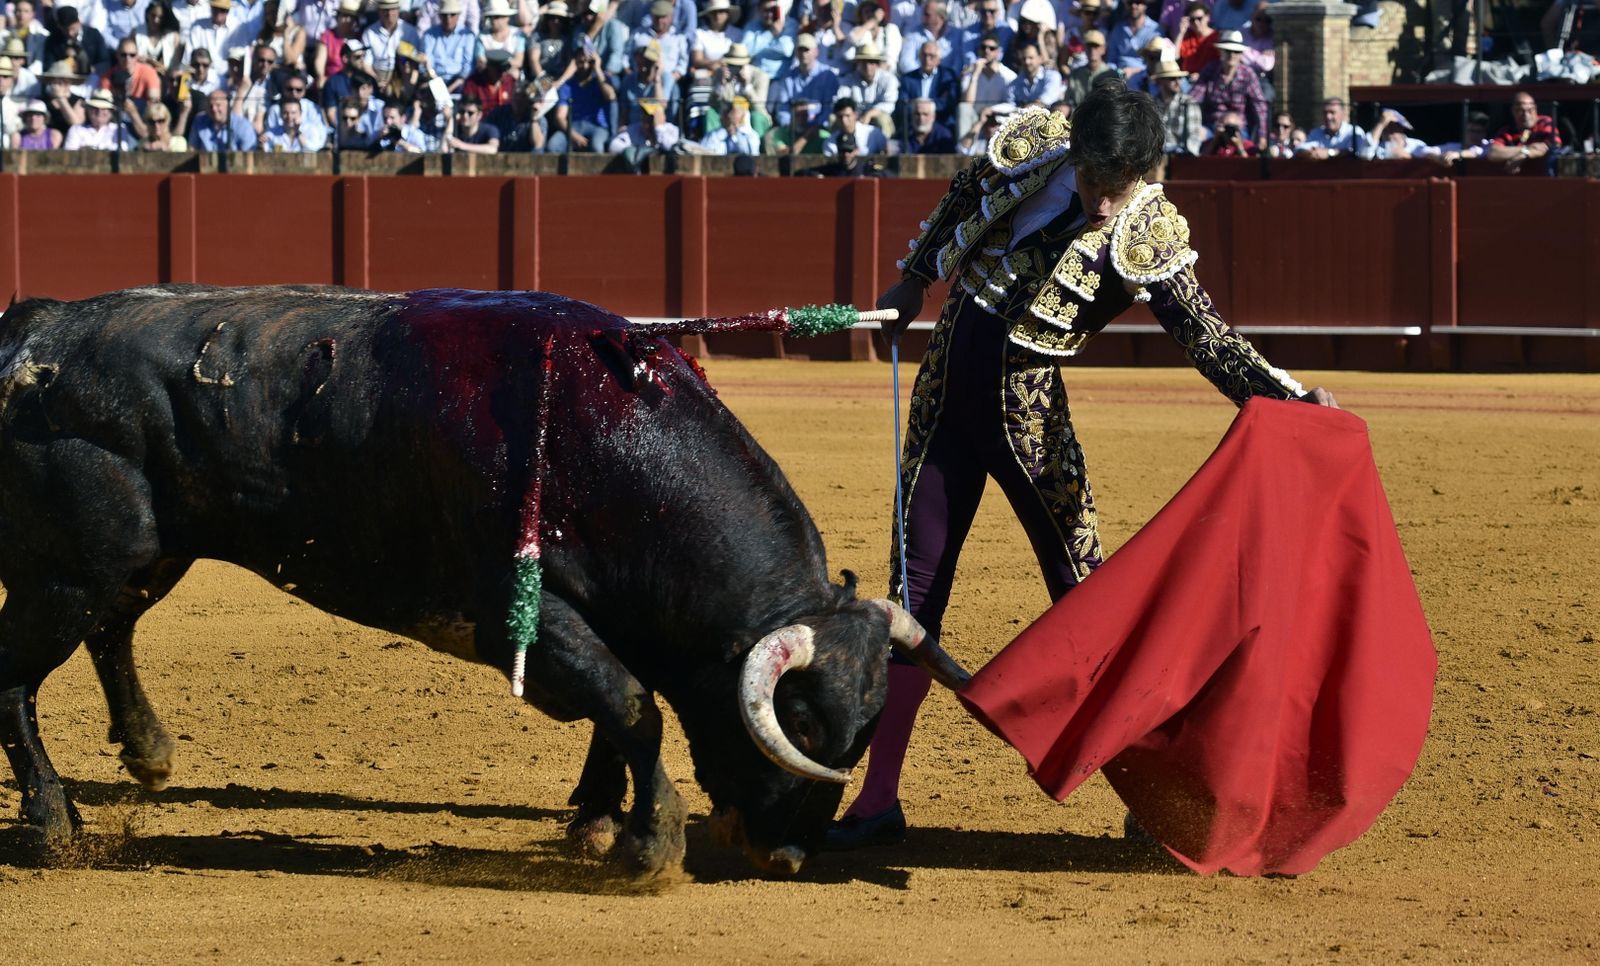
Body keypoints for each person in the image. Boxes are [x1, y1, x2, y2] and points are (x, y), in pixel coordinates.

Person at [826, 82, 1337, 850]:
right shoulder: (1035, 143)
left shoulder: (1149, 226)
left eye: (1119, 189)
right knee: (915, 588)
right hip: (946, 385)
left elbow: (1205, 335)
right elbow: (968, 185)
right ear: (1078, 151)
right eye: (1096, 183)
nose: (1103, 207)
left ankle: (1156, 796)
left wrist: (1286, 397)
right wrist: (916, 276)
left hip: (1027, 413)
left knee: (1087, 596)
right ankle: (878, 800)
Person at [1187, 29, 1265, 140]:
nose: (1232, 55)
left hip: (1239, 129)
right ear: (1221, 51)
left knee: (1248, 149)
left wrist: (1262, 136)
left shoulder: (1248, 74)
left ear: (1241, 54)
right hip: (1212, 128)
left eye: (1236, 51)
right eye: (1228, 51)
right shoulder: (1210, 70)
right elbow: (1194, 97)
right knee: (1195, 136)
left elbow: (1260, 105)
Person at [766, 32, 837, 128]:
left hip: (819, 128)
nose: (803, 53)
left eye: (806, 50)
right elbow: (783, 109)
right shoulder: (788, 77)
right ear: (796, 52)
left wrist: (815, 127)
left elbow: (828, 108)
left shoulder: (828, 75)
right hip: (793, 128)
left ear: (816, 52)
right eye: (800, 49)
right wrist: (790, 126)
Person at [1484, 91, 1560, 173]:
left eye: (1530, 110)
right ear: (1513, 111)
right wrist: (1526, 149)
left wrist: (1524, 155)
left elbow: (1552, 146)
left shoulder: (1544, 122)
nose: (1526, 115)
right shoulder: (1507, 131)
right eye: (1521, 110)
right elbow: (1493, 153)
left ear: (1535, 109)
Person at [838, 39, 897, 136]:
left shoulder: (889, 79)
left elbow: (889, 105)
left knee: (883, 119)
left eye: (871, 62)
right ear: (858, 63)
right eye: (864, 62)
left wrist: (869, 114)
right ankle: (839, 148)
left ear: (877, 64)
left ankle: (886, 148)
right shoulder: (848, 79)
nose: (867, 66)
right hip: (854, 117)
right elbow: (841, 101)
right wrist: (852, 116)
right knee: (835, 118)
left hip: (876, 117)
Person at [899, 39, 958, 129]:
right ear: (919, 56)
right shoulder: (908, 78)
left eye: (931, 56)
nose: (927, 59)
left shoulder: (948, 76)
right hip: (914, 124)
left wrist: (926, 112)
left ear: (939, 59)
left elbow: (948, 102)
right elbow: (903, 104)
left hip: (940, 122)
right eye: (924, 55)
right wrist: (919, 113)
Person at [1296, 95, 1372, 158]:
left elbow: (1357, 153)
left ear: (1343, 114)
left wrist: (1329, 153)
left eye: (1332, 112)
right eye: (1325, 113)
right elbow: (1299, 150)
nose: (1328, 117)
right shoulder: (1316, 133)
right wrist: (1310, 153)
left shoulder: (1354, 132)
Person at [1153, 55, 1200, 155]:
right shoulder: (1152, 105)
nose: (1178, 82)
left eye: (1179, 78)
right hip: (1156, 159)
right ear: (1160, 81)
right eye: (1172, 78)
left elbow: (1193, 138)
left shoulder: (1189, 104)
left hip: (1181, 160)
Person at [64, 88, 138, 148]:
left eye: (104, 108)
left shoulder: (119, 129)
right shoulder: (76, 130)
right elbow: (69, 153)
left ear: (111, 112)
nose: (99, 112)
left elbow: (122, 152)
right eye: (95, 108)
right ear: (88, 110)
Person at [191, 84, 259, 148]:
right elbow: (192, 149)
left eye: (218, 105)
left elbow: (249, 155)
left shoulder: (244, 127)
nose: (214, 109)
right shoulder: (199, 122)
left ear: (227, 106)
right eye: (210, 106)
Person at [1063, 28, 1112, 106]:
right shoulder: (1075, 74)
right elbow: (1068, 101)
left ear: (1103, 49)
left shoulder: (1111, 75)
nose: (1092, 50)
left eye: (1096, 46)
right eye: (1089, 46)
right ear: (1085, 49)